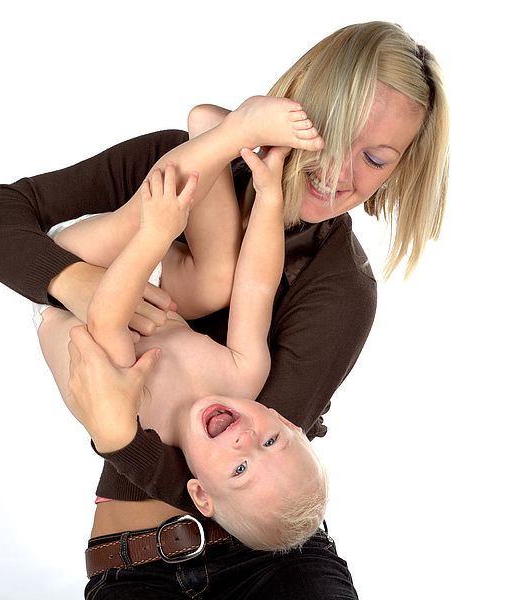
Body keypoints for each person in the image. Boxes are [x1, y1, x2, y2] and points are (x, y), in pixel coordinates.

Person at [0, 21, 449, 599]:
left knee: (208, 278)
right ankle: (202, 157)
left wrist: (117, 436)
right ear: (301, 102)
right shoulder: (174, 169)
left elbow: (220, 471)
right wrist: (77, 283)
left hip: (274, 566)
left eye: (376, 158)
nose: (340, 172)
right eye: (334, 131)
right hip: (134, 565)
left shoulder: (342, 290)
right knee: (202, 269)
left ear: (401, 169)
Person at [36, 101, 329, 551]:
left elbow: (105, 316)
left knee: (139, 221)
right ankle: (216, 135)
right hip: (150, 289)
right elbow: (256, 286)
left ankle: (213, 148)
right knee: (219, 283)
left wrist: (154, 236)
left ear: (200, 493)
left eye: (240, 470)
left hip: (72, 284)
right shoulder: (244, 375)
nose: (243, 439)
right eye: (271, 440)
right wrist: (270, 197)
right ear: (284, 419)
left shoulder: (140, 411)